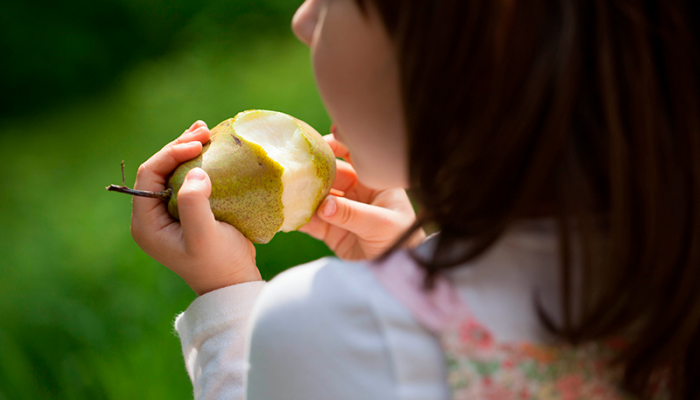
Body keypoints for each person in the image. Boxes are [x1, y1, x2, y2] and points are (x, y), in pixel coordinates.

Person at [129, 0, 700, 398]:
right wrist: (407, 272)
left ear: (476, 34)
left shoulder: (323, 328)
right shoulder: (669, 259)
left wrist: (227, 304)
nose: (303, 19)